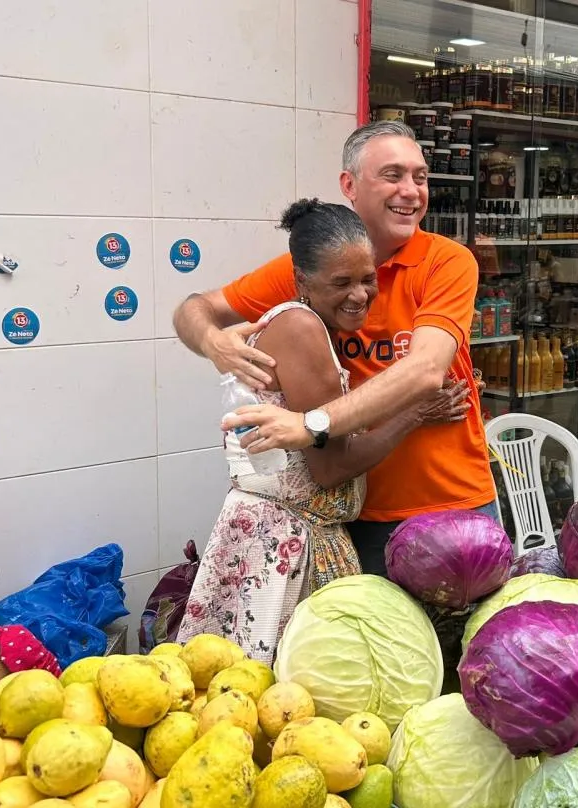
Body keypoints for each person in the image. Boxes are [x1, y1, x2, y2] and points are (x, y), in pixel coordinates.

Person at [173, 120, 498, 576]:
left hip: (453, 503)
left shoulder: (446, 261)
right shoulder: (306, 267)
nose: (411, 191)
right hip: (358, 517)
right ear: (350, 184)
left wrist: (311, 424)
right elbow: (194, 308)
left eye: (420, 177)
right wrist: (214, 343)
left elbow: (426, 369)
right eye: (393, 175)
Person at [176, 199, 468, 661]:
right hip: (291, 548)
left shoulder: (298, 321)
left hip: (269, 536)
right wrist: (415, 413)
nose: (360, 295)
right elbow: (332, 469)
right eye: (341, 283)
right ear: (301, 282)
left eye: (367, 278)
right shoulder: (302, 330)